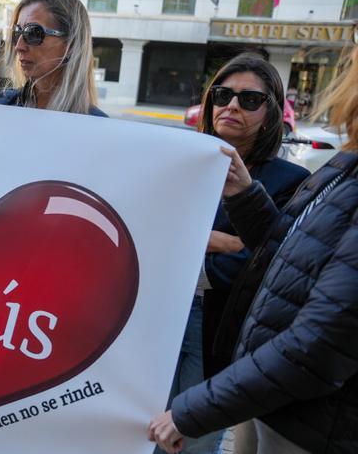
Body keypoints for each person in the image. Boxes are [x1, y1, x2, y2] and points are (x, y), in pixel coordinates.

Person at [149, 44, 358, 454]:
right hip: (161, 313)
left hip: (221, 329)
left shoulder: (291, 178)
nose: (232, 106)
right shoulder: (184, 160)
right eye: (222, 95)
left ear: (271, 113)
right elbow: (281, 250)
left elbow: (258, 268)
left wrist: (192, 244)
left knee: (189, 440)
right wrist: (218, 241)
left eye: (250, 99)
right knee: (147, 425)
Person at [0, 0, 105, 116]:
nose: (18, 46)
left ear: (71, 44)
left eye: (33, 33)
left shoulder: (97, 125)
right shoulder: (3, 104)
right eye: (17, 32)